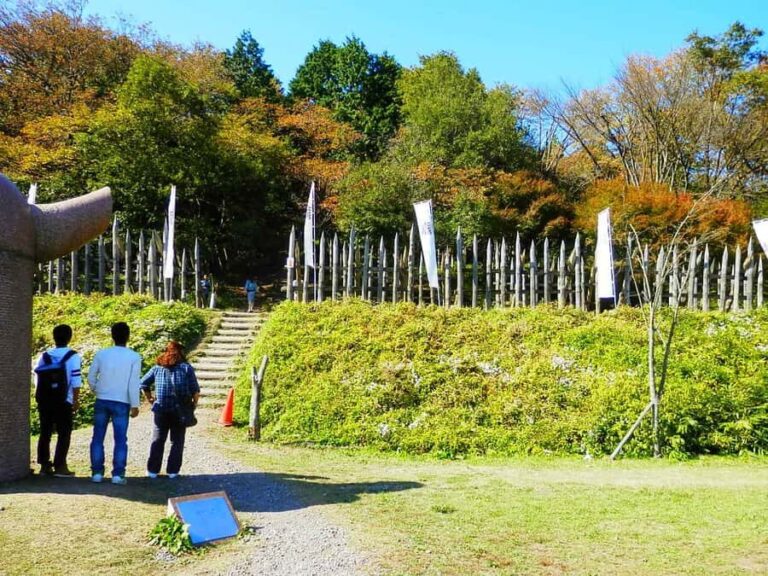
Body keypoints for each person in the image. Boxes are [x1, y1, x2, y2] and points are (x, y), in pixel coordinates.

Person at [87, 322, 142, 485]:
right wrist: (135, 404)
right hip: (122, 401)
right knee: (120, 439)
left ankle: (96, 473)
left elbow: (90, 378)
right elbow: (133, 383)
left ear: (112, 335)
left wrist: (98, 390)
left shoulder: (101, 354)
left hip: (102, 399)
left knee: (97, 437)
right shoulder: (134, 356)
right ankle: (118, 474)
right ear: (128, 336)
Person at [140, 341, 200, 479]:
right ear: (180, 353)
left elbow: (143, 383)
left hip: (160, 409)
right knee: (177, 441)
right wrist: (193, 405)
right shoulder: (186, 368)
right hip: (180, 410)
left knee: (158, 439)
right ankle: (173, 472)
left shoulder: (157, 368)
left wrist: (150, 399)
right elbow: (195, 391)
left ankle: (152, 471)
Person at [34, 324, 82, 477]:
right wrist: (75, 400)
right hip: (64, 400)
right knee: (64, 432)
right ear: (69, 337)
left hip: (45, 400)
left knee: (45, 432)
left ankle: (44, 465)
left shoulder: (44, 356)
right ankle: (60, 466)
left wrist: (40, 396)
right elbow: (76, 380)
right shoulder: (73, 356)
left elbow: (37, 378)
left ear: (53, 337)